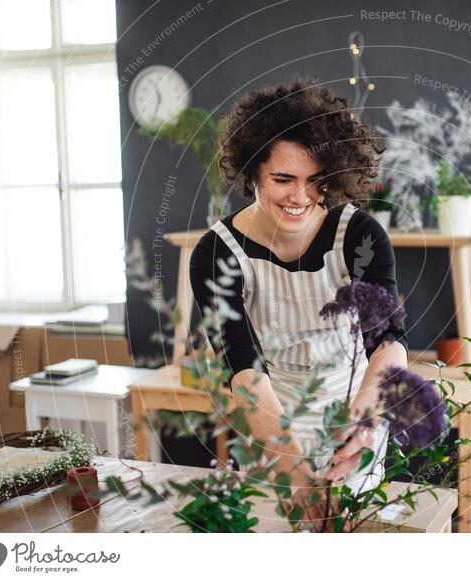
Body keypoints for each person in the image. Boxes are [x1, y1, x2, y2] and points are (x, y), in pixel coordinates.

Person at [189, 77, 408, 523]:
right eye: (283, 180)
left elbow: (388, 343)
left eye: (316, 182)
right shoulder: (217, 253)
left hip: (354, 415)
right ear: (252, 172)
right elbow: (244, 370)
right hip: (271, 421)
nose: (301, 197)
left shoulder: (359, 235)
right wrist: (288, 461)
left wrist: (363, 424)